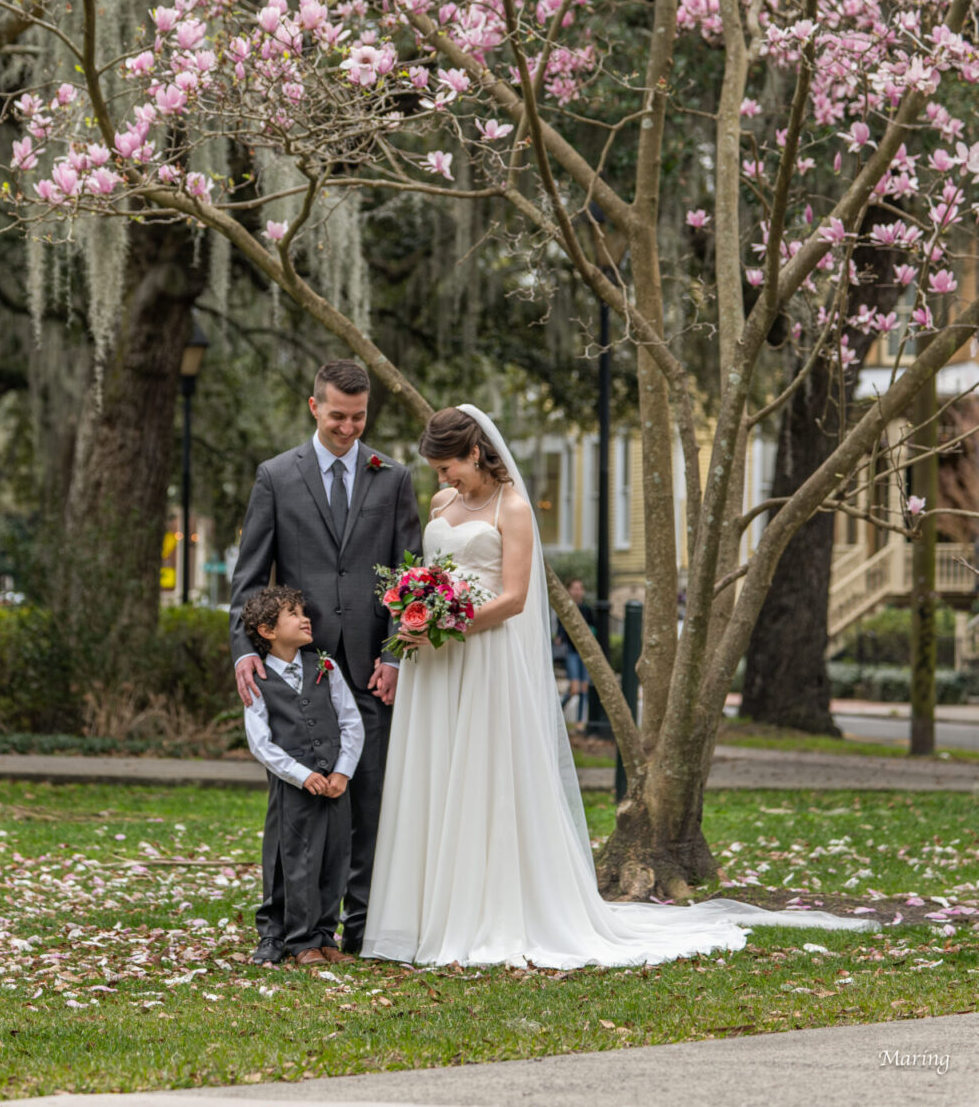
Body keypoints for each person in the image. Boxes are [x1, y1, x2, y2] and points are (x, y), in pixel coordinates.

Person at [362, 404, 877, 969]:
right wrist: (417, 612)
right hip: (436, 662)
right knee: (434, 772)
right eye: (437, 472)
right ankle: (419, 914)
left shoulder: (513, 509)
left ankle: (479, 911)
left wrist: (446, 625)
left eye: (448, 467)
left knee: (481, 775)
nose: (443, 482)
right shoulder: (442, 505)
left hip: (484, 658)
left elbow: (513, 598)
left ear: (476, 452)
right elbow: (433, 575)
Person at [230, 359, 423, 959]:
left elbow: (409, 577)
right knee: (293, 808)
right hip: (294, 673)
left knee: (366, 802)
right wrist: (244, 650)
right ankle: (284, 931)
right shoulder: (276, 477)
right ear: (314, 407)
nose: (348, 427)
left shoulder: (392, 478)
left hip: (369, 671)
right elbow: (248, 577)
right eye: (337, 415)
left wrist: (395, 656)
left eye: (359, 417)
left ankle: (360, 932)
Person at [241, 585, 364, 967]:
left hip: (334, 785)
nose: (305, 618)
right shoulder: (258, 680)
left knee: (334, 858)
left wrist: (342, 772)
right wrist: (299, 774)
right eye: (293, 613)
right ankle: (299, 940)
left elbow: (351, 721)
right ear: (267, 630)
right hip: (295, 787)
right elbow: (259, 742)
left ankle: (327, 936)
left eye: (303, 611)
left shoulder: (324, 665)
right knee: (297, 861)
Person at [560, 576, 596, 725]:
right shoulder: (564, 609)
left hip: (584, 652)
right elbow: (561, 632)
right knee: (574, 688)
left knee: (583, 688)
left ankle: (580, 721)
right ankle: (557, 714)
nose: (577, 591)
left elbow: (594, 628)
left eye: (580, 588)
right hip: (571, 651)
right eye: (574, 588)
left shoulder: (587, 610)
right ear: (569, 590)